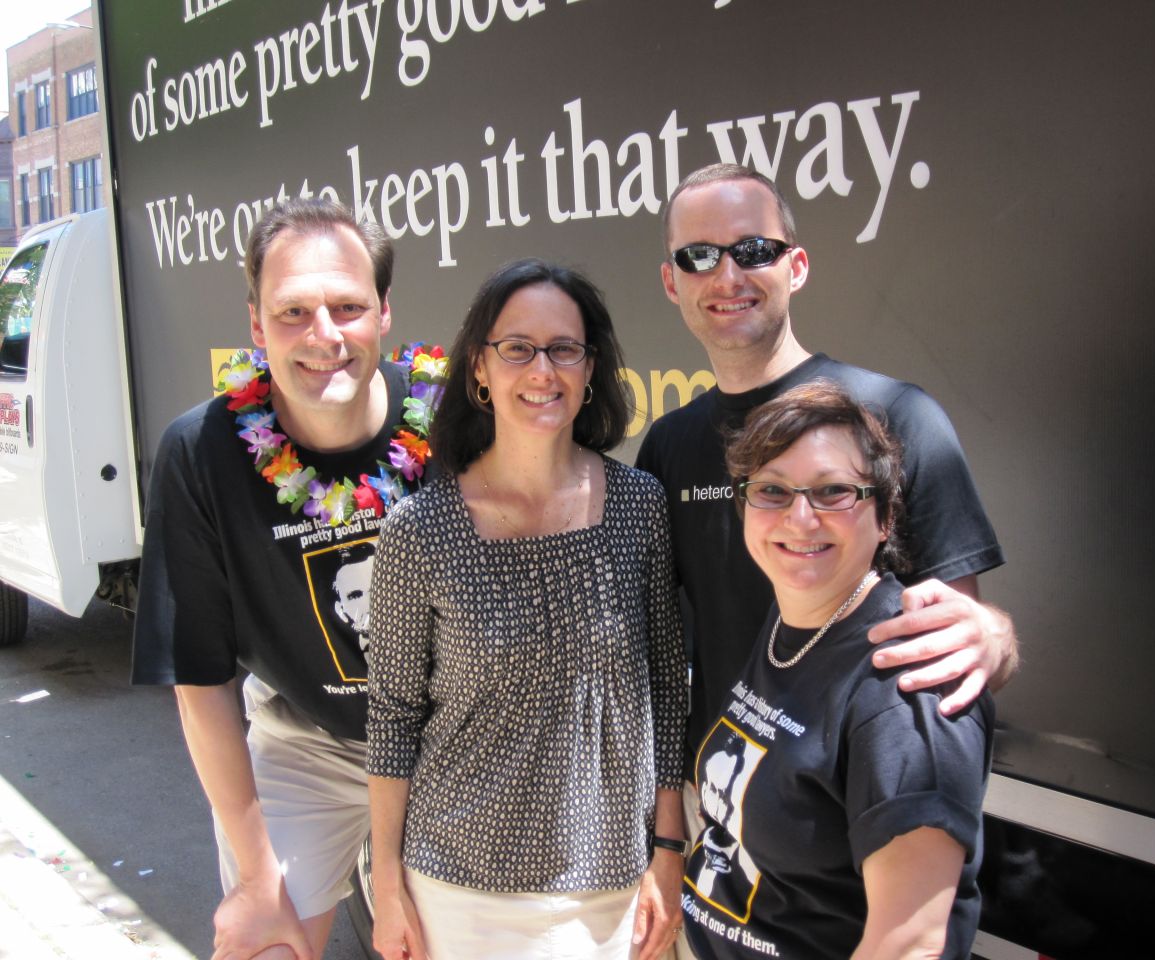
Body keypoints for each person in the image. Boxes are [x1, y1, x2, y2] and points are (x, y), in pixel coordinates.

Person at [635, 163, 1014, 776]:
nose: (726, 275)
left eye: (754, 250)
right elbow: (653, 650)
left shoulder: (897, 418)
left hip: (863, 812)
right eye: (698, 255)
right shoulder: (669, 445)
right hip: (728, 811)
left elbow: (958, 650)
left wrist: (992, 637)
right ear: (672, 283)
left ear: (798, 266)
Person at [132, 198, 431, 960]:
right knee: (263, 941)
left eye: (347, 306)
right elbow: (200, 681)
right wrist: (258, 875)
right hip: (309, 742)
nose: (324, 336)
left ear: (385, 312)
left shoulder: (457, 421)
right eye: (293, 311)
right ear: (257, 327)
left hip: (448, 744)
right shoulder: (200, 452)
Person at [365, 258, 687, 960]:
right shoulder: (419, 530)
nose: (543, 370)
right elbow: (391, 718)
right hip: (459, 889)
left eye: (564, 348)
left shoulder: (639, 507)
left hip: (612, 883)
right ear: (480, 368)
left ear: (590, 367)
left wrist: (669, 848)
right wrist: (387, 889)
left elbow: (667, 687)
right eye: (517, 348)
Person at [681, 380, 993, 960]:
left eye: (832, 492)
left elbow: (909, 946)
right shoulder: (793, 617)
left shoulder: (906, 686)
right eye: (771, 490)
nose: (800, 519)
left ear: (885, 516)